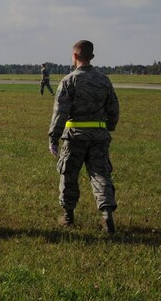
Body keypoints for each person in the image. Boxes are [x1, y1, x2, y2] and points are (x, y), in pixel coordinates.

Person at [48, 40, 119, 233]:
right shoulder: (104, 80)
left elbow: (60, 113)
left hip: (74, 137)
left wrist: (53, 137)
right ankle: (106, 214)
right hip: (98, 136)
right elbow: (114, 108)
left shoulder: (69, 81)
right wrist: (108, 127)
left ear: (74, 57)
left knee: (69, 175)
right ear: (92, 57)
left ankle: (68, 215)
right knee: (100, 175)